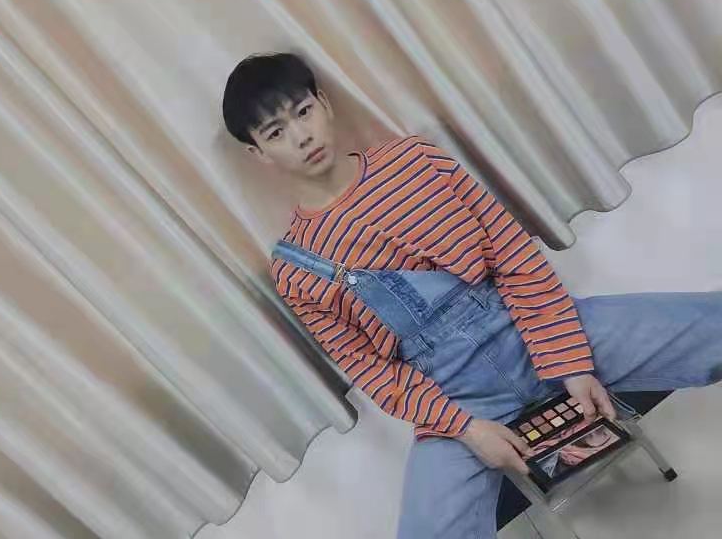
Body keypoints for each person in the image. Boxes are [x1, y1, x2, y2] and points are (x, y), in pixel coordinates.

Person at [222, 52, 722, 539]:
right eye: (275, 132)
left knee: (706, 325)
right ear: (257, 153)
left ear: (325, 104)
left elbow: (513, 256)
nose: (302, 136)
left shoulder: (416, 161)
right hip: (457, 398)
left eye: (303, 111)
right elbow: (372, 370)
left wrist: (569, 363)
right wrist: (466, 429)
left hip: (530, 329)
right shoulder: (295, 270)